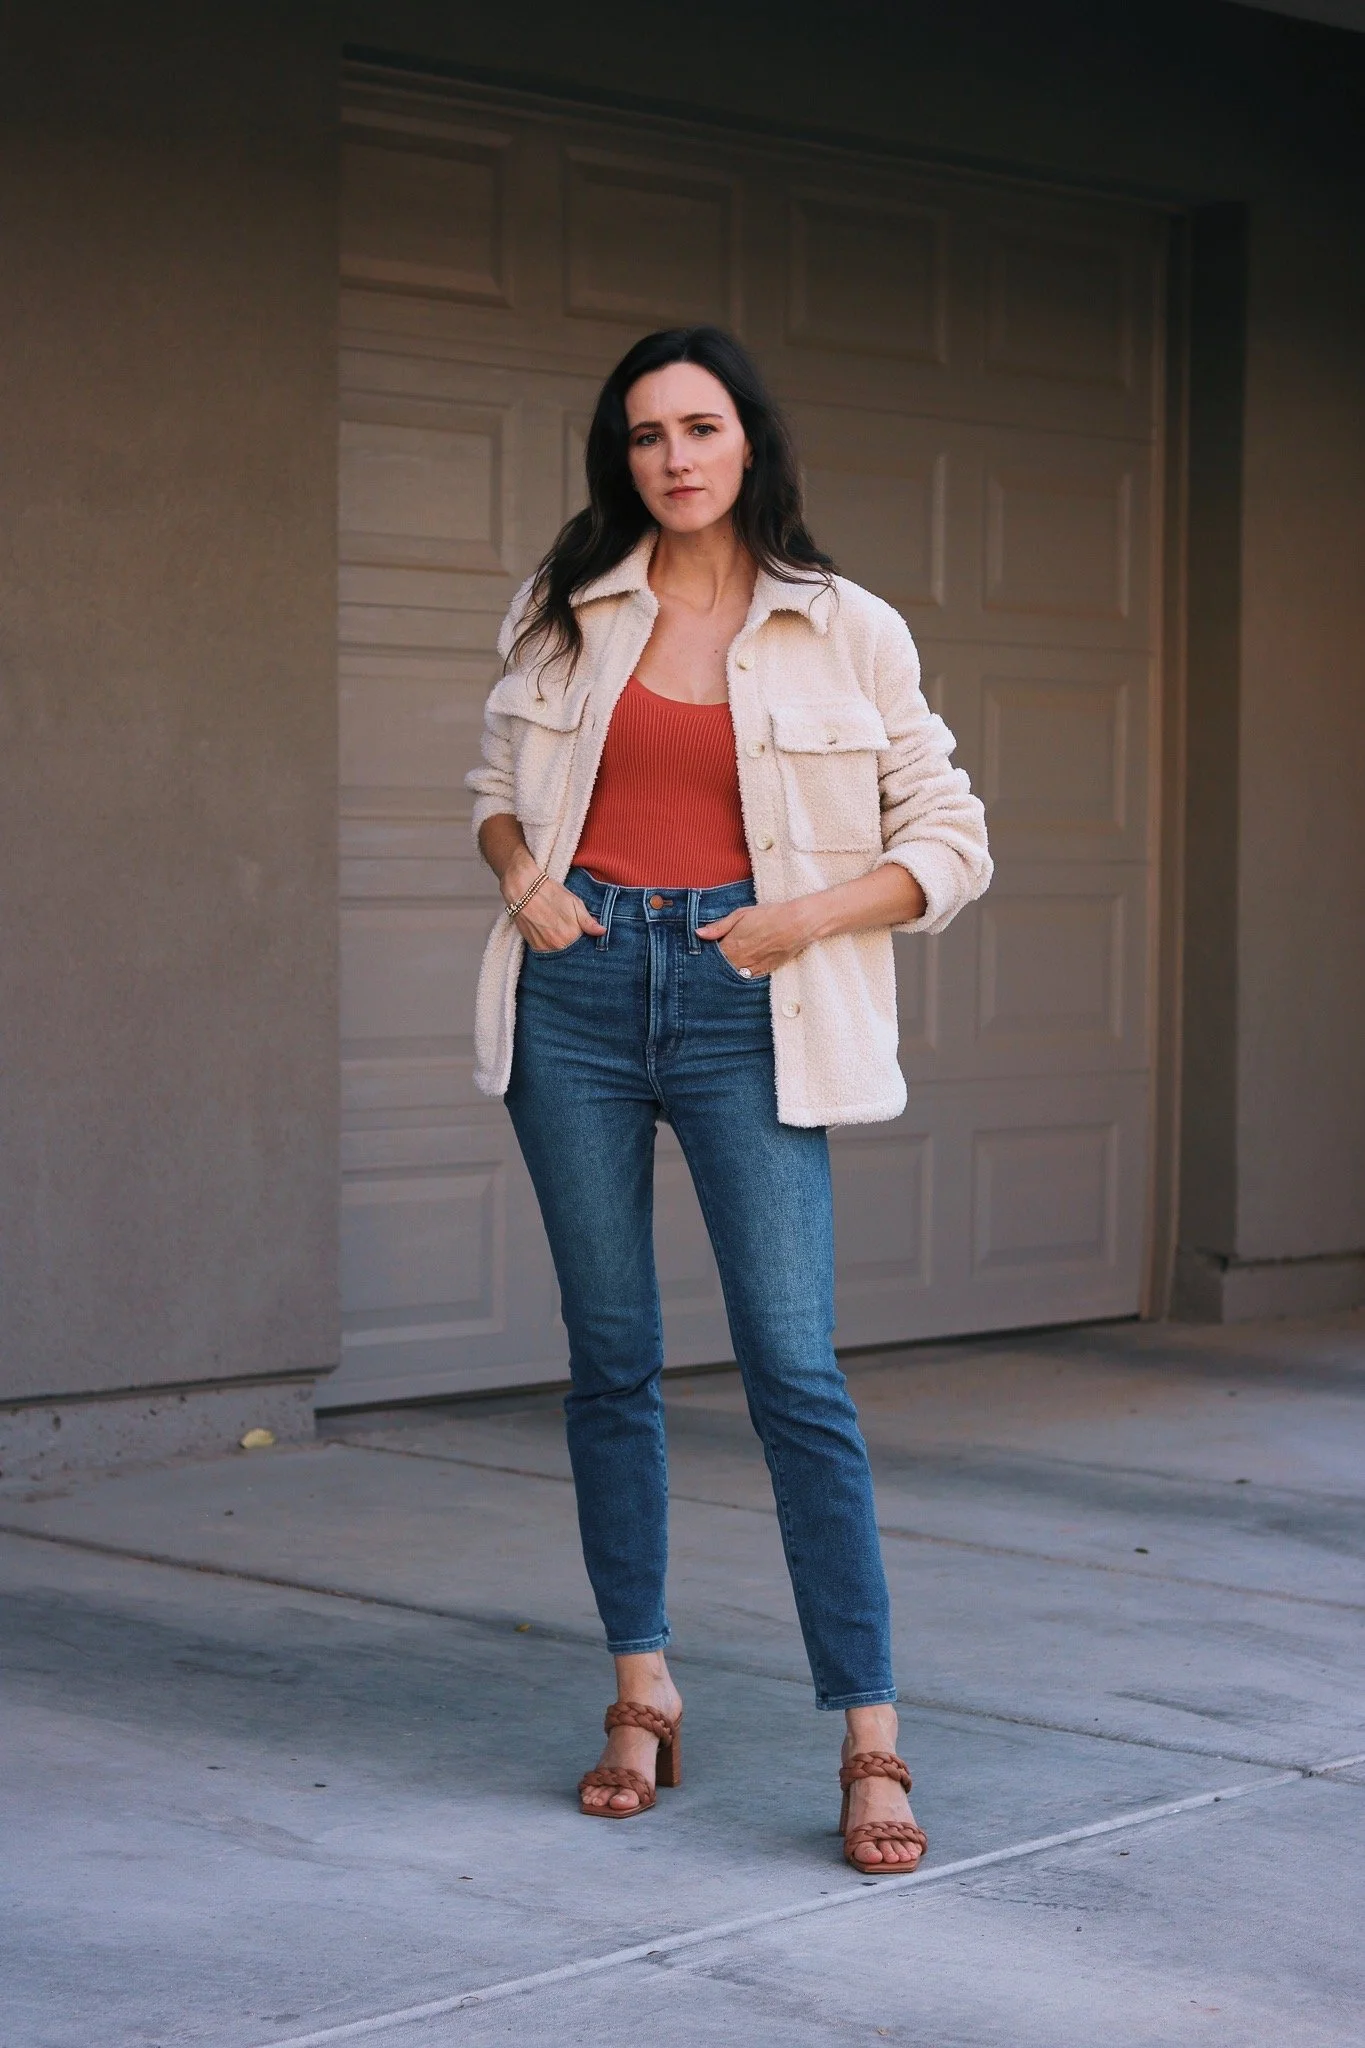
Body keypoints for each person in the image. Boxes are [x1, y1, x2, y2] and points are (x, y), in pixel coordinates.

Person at [467, 326, 991, 1871]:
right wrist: (524, 879)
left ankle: (872, 1734)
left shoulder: (846, 628)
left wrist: (799, 920)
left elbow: (953, 842)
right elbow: (496, 795)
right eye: (646, 435)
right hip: (574, 993)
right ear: (619, 457)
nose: (674, 458)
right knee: (612, 1361)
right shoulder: (566, 603)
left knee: (793, 1371)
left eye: (699, 427)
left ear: (748, 440)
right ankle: (643, 1691)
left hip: (747, 994)